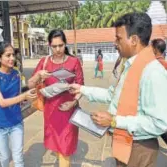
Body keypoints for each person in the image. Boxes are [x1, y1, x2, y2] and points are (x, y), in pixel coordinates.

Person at [69, 12, 167, 167]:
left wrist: (114, 121)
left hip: (139, 148)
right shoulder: (131, 66)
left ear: (134, 40)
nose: (115, 43)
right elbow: (112, 95)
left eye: (118, 38)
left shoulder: (152, 72)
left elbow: (159, 123)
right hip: (126, 144)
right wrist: (82, 89)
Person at [28, 29, 84, 167]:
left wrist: (73, 102)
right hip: (51, 111)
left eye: (61, 45)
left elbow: (81, 86)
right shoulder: (44, 62)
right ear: (49, 45)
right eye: (54, 46)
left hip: (68, 110)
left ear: (65, 44)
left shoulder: (74, 62)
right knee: (56, 144)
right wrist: (38, 75)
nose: (58, 49)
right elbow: (30, 84)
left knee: (65, 145)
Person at [0, 41, 37, 167]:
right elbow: (2, 102)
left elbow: (18, 98)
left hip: (16, 122)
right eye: (8, 55)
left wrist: (27, 97)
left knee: (18, 158)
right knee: (4, 157)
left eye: (13, 55)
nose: (12, 58)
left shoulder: (17, 74)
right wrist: (23, 96)